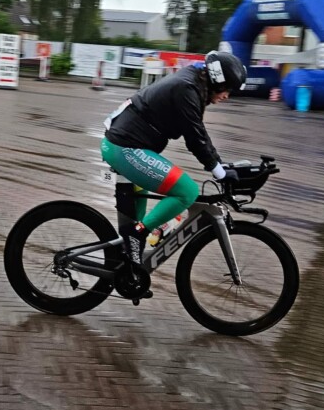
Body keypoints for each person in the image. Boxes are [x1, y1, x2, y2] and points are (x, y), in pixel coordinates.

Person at [101, 50, 247, 263]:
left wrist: (219, 164)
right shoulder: (187, 88)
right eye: (227, 89)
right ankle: (138, 234)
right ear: (218, 81)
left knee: (134, 237)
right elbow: (195, 138)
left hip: (126, 146)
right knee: (187, 191)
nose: (227, 96)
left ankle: (129, 260)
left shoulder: (193, 84)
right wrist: (219, 172)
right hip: (125, 148)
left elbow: (199, 132)